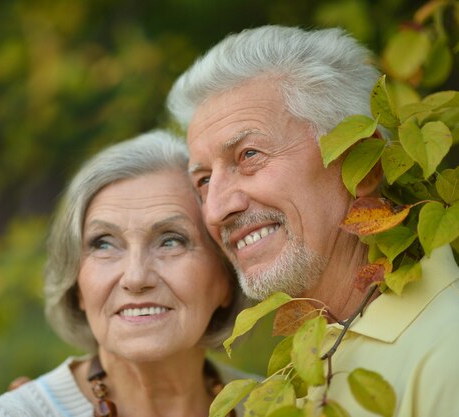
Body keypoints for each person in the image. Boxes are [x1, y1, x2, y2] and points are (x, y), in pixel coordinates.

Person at [166, 25, 459, 416]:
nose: (216, 209)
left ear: (362, 165)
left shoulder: (448, 349)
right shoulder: (295, 371)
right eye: (203, 180)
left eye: (249, 155)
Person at [0, 130, 255, 417]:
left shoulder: (278, 405)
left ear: (227, 279)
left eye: (171, 241)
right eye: (103, 243)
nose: (135, 278)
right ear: (77, 285)